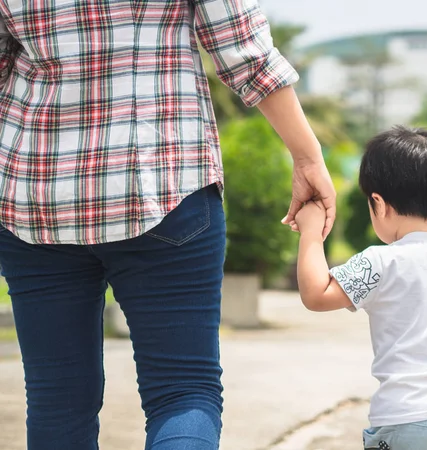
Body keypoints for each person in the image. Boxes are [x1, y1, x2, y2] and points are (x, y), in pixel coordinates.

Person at [0, 0, 335, 449]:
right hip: (164, 181)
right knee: (182, 391)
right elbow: (244, 50)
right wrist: (307, 156)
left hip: (36, 193)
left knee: (56, 401)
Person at [293, 126, 427, 450]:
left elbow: (316, 294)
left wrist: (311, 231)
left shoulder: (380, 262)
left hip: (405, 420)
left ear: (378, 203)